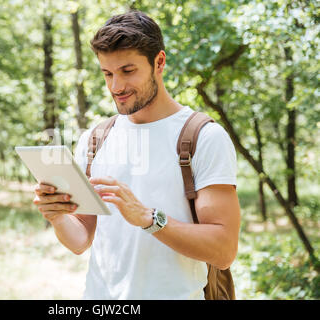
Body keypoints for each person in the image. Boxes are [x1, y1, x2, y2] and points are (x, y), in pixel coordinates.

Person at [32, 10, 240, 299]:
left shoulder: (203, 137)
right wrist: (56, 216)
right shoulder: (95, 140)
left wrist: (148, 218)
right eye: (107, 74)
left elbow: (224, 251)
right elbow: (81, 239)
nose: (116, 87)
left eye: (128, 71)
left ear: (159, 62)